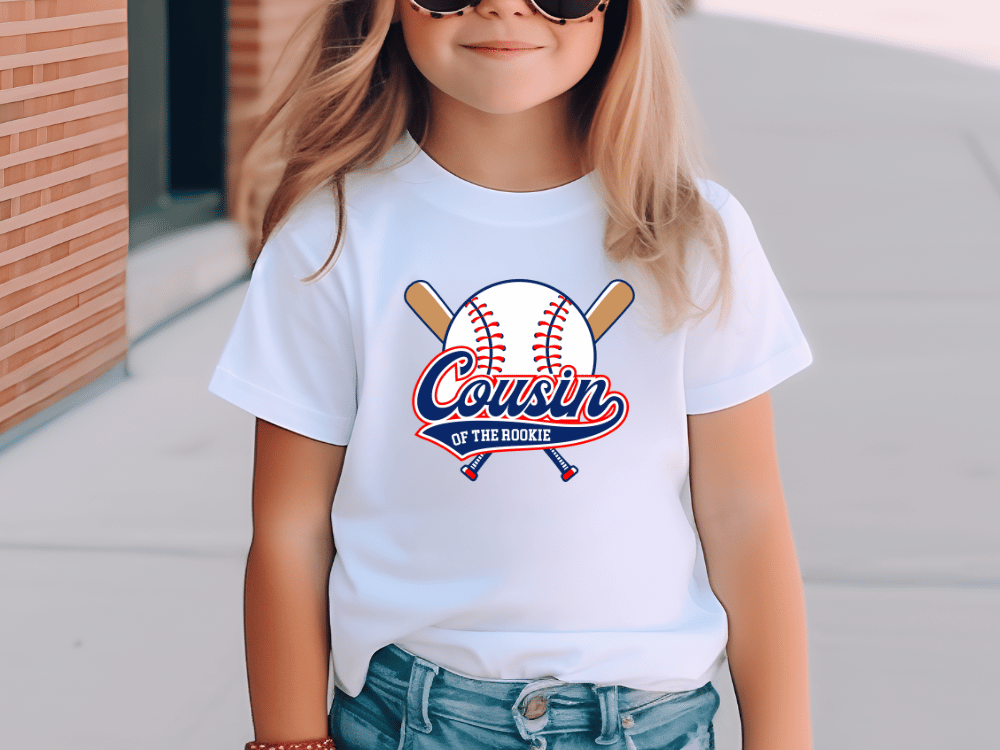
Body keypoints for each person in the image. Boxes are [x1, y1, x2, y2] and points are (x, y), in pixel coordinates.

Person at [208, 0, 815, 748]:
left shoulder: (691, 231)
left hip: (648, 719)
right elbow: (289, 528)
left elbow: (743, 511)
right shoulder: (334, 236)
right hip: (408, 718)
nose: (503, 5)